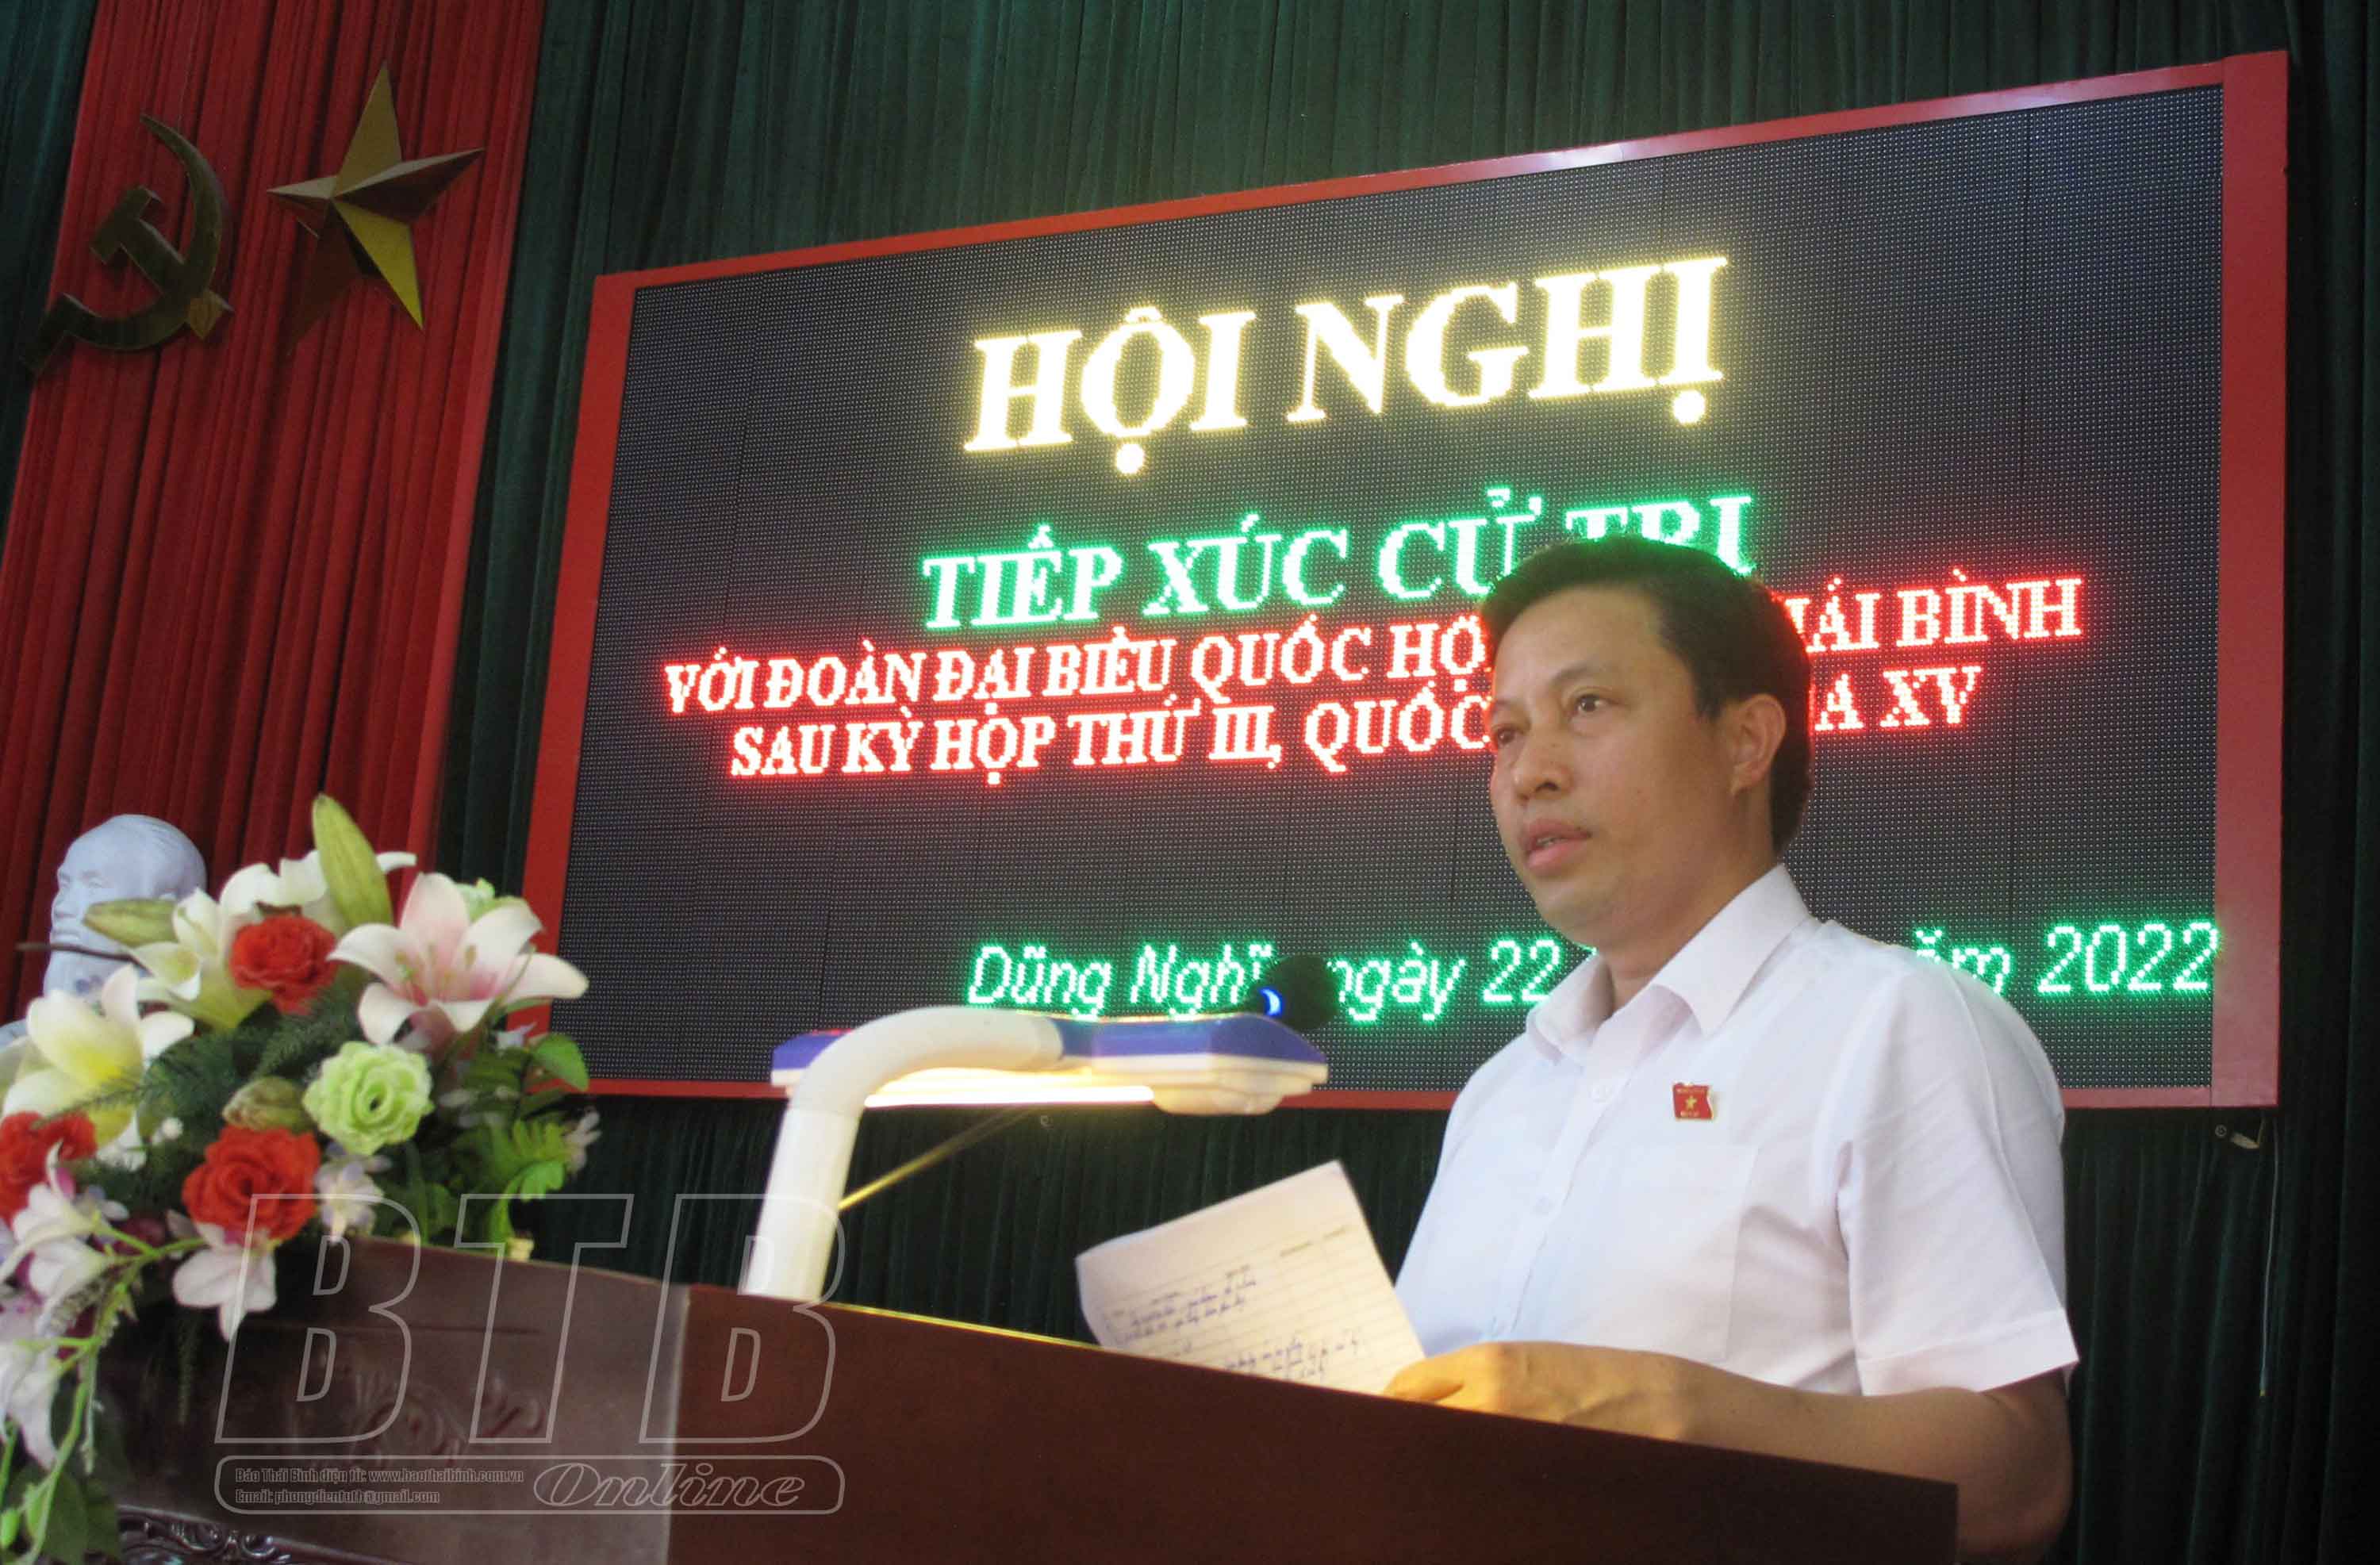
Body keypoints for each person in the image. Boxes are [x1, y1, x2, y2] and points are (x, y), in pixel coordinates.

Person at [1385, 538, 2075, 1564]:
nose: (1530, 771)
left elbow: (2017, 1480)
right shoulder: (1501, 1090)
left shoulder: (1894, 1023)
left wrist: (1681, 1411)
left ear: (1746, 741)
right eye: (1505, 732)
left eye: (1587, 706)